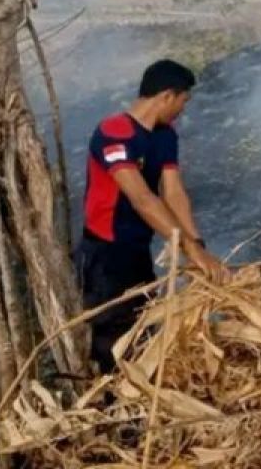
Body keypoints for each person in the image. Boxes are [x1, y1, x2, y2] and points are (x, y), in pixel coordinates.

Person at [76, 59, 226, 373]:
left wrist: (197, 243)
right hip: (105, 254)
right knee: (114, 339)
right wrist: (189, 249)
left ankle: (144, 396)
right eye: (183, 101)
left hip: (137, 249)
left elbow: (173, 192)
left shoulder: (165, 135)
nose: (183, 109)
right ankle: (116, 407)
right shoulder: (114, 133)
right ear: (167, 96)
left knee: (144, 321)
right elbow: (143, 199)